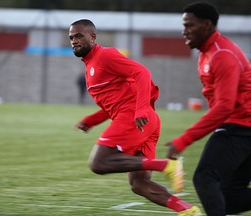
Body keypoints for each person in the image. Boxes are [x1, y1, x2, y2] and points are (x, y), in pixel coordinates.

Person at [69, 19, 202, 215]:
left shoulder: (105, 56)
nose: (74, 41)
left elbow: (142, 72)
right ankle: (188, 210)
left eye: (79, 36)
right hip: (144, 120)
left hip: (134, 118)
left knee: (99, 163)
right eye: (71, 37)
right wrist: (91, 120)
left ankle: (166, 165)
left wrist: (140, 110)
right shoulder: (90, 65)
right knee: (139, 184)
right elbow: (115, 102)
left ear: (93, 37)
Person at [165, 2, 251, 216]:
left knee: (205, 178)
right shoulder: (207, 52)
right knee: (228, 196)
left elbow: (224, 106)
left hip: (241, 127)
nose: (184, 31)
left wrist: (183, 140)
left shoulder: (222, 54)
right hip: (240, 126)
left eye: (189, 25)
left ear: (206, 24)